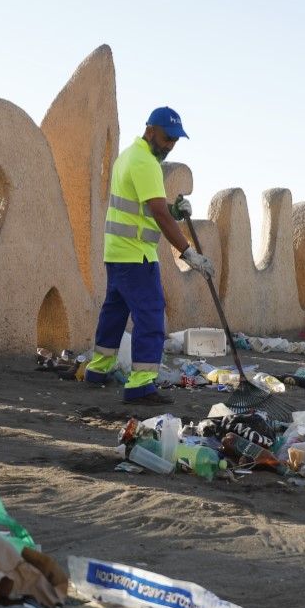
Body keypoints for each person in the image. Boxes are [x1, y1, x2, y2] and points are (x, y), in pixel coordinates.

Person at [82, 106, 213, 404]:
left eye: (175, 141)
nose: (169, 146)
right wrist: (188, 252)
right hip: (136, 255)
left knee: (114, 313)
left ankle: (98, 369)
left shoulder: (128, 156)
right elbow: (157, 214)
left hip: (116, 252)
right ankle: (141, 384)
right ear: (150, 130)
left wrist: (175, 210)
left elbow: (148, 206)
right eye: (167, 138)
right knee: (151, 315)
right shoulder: (146, 163)